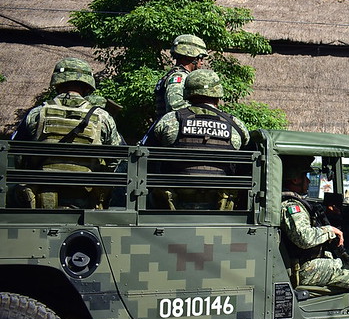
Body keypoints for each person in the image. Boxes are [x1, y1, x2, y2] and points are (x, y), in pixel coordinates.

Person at [12, 57, 123, 208]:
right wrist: (100, 182)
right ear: (87, 86)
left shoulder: (37, 114)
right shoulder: (103, 117)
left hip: (41, 198)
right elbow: (118, 158)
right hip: (88, 199)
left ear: (57, 83)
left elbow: (16, 155)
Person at [280, 156, 349, 310]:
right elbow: (303, 238)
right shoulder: (291, 206)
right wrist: (330, 231)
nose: (309, 181)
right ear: (296, 180)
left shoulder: (292, 202)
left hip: (305, 263)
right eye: (306, 177)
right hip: (305, 269)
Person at [144, 69, 249, 210]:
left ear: (187, 93)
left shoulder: (170, 120)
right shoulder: (236, 126)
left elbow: (145, 155)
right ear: (218, 95)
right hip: (221, 206)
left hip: (171, 206)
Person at [153, 34, 208, 117]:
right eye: (200, 58)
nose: (202, 62)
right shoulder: (179, 78)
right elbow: (177, 107)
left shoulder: (174, 75)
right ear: (190, 56)